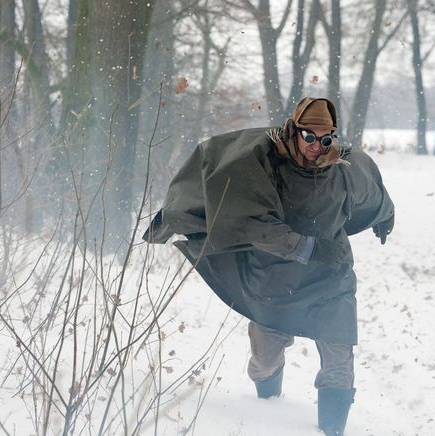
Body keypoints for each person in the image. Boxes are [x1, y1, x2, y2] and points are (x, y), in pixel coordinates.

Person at [143, 97, 394, 436]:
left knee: (339, 358)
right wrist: (307, 248)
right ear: (294, 131)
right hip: (274, 279)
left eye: (325, 139)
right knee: (265, 359)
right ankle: (267, 406)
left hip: (331, 278)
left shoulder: (345, 170)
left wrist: (385, 214)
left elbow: (372, 194)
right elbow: (257, 224)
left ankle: (332, 430)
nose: (316, 146)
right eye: (308, 137)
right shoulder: (265, 165)